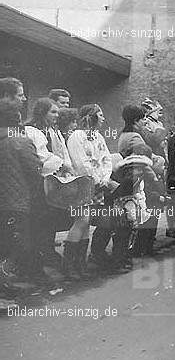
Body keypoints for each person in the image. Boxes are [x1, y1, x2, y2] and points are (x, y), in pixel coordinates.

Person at [24, 98, 73, 269]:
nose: (57, 115)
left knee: (50, 218)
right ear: (42, 112)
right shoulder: (32, 131)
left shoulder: (54, 131)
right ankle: (38, 256)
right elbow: (41, 156)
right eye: (53, 112)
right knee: (39, 220)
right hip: (39, 181)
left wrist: (67, 166)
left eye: (57, 112)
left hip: (54, 180)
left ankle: (48, 250)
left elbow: (63, 151)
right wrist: (62, 164)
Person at [66, 104, 113, 278]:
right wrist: (94, 178)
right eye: (100, 115)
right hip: (83, 184)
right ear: (90, 116)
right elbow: (80, 162)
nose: (103, 118)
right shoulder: (77, 136)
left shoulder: (99, 137)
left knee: (86, 223)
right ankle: (69, 264)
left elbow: (106, 158)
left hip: (98, 185)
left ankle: (80, 263)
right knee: (82, 220)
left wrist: (105, 178)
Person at [0, 99, 45, 282]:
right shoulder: (21, 141)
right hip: (17, 202)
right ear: (17, 121)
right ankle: (10, 282)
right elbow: (35, 170)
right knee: (17, 243)